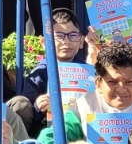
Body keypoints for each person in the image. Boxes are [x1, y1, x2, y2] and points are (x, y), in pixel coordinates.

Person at [7, 8, 87, 136]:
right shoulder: (38, 74)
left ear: (81, 41)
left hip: (78, 131)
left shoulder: (87, 72)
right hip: (44, 131)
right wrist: (38, 106)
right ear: (44, 42)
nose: (66, 41)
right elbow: (27, 112)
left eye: (72, 35)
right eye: (59, 36)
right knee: (20, 103)